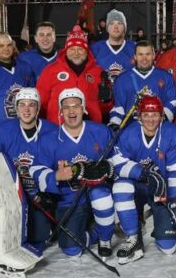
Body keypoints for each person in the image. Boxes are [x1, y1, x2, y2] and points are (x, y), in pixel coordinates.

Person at [34, 88, 115, 257]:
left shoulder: (101, 132)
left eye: (76, 106)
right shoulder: (48, 139)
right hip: (70, 199)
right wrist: (56, 176)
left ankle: (105, 236)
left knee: (100, 195)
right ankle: (96, 231)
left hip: (99, 193)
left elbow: (118, 160)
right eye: (66, 107)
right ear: (61, 111)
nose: (72, 111)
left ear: (83, 108)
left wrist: (108, 167)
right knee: (72, 250)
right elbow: (36, 170)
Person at [109, 95, 176, 263]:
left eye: (154, 115)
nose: (150, 119)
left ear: (161, 116)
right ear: (139, 116)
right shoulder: (129, 133)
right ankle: (133, 238)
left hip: (161, 191)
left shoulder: (173, 133)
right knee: (120, 186)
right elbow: (118, 162)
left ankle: (149, 215)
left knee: (168, 247)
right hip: (137, 187)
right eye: (146, 115)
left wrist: (174, 200)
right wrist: (143, 174)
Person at [0, 87, 58, 252]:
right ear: (15, 108)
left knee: (38, 237)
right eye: (22, 104)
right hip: (11, 197)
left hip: (38, 196)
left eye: (31, 105)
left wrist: (50, 194)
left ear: (38, 108)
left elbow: (58, 168)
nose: (26, 109)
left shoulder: (53, 131)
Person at [35, 25, 104, 125]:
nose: (76, 53)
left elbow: (104, 109)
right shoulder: (50, 71)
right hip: (57, 130)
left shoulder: (98, 72)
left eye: (80, 49)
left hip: (91, 131)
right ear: (66, 51)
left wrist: (107, 101)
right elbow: (41, 104)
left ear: (87, 51)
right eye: (72, 49)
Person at [108, 40, 176, 129]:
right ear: (135, 57)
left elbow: (173, 101)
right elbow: (119, 107)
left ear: (153, 56)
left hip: (159, 128)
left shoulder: (166, 77)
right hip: (132, 130)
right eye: (140, 54)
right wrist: (115, 123)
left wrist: (162, 117)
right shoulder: (122, 79)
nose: (144, 58)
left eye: (148, 54)